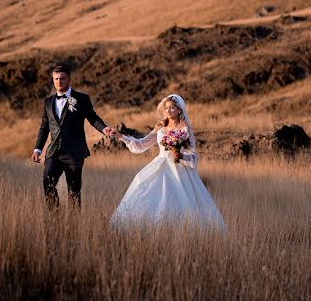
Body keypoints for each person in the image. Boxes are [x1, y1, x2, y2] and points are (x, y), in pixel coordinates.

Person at [110, 94, 226, 231]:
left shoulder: (185, 129)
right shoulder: (160, 126)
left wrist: (180, 154)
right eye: (166, 108)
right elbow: (142, 144)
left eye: (172, 107)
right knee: (144, 191)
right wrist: (121, 137)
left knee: (180, 204)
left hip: (180, 171)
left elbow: (194, 158)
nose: (169, 110)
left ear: (179, 110)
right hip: (159, 166)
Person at [31, 64, 114, 208]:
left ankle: (73, 224)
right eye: (56, 79)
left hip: (75, 153)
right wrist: (38, 149)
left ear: (69, 80)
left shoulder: (81, 99)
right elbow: (44, 127)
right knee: (47, 182)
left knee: (74, 191)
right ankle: (55, 219)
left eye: (62, 78)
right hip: (54, 152)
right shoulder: (48, 102)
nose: (59, 81)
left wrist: (104, 128)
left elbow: (92, 118)